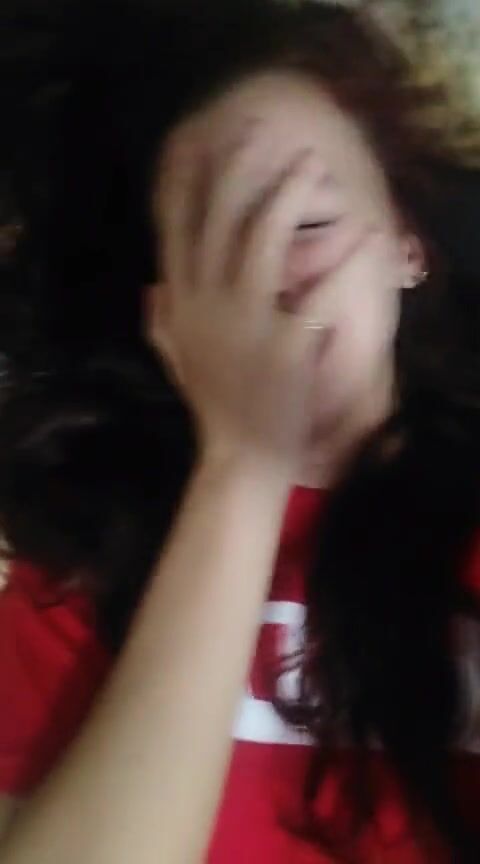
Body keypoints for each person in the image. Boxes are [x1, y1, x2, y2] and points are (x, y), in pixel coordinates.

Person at [0, 1, 479, 862]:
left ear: (407, 246)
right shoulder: (74, 561)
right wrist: (244, 465)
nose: (273, 285)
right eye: (215, 252)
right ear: (164, 310)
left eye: (310, 225)